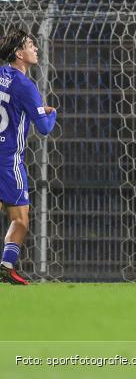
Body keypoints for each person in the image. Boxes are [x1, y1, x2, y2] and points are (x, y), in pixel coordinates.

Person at [0, 29, 57, 286]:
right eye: (31, 45)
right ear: (18, 54)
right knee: (20, 219)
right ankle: (6, 266)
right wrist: (50, 113)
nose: (36, 49)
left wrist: (33, 110)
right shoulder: (25, 85)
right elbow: (44, 128)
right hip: (9, 161)